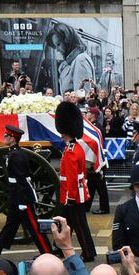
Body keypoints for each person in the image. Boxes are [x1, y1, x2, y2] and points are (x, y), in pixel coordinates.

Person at [0, 125, 52, 257]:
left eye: (6, 136)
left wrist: (22, 201)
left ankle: (47, 252)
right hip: (16, 195)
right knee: (11, 224)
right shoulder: (15, 153)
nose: (4, 138)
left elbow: (22, 180)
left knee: (34, 227)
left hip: (22, 197)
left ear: (13, 139)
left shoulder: (16, 155)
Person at [55, 101, 97, 262]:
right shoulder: (75, 147)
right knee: (65, 222)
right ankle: (59, 247)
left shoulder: (72, 150)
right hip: (73, 192)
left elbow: (72, 177)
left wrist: (70, 197)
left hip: (72, 194)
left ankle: (88, 252)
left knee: (79, 225)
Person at [45, 22, 95, 94]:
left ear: (67, 40)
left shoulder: (81, 60)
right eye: (55, 46)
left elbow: (83, 98)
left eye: (59, 44)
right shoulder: (71, 62)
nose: (58, 50)